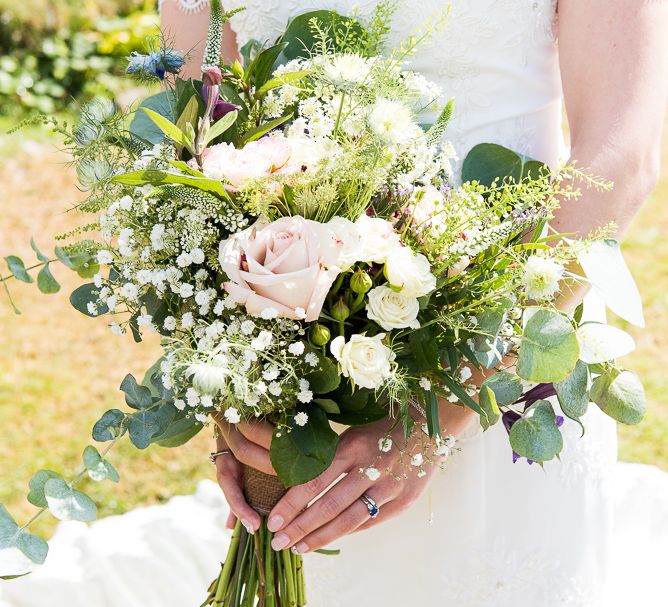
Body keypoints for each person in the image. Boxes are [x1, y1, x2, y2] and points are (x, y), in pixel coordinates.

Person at [159, 2, 668, 605]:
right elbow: (196, 133)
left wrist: (438, 414)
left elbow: (621, 157)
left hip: (511, 333)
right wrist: (230, 381)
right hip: (298, 354)